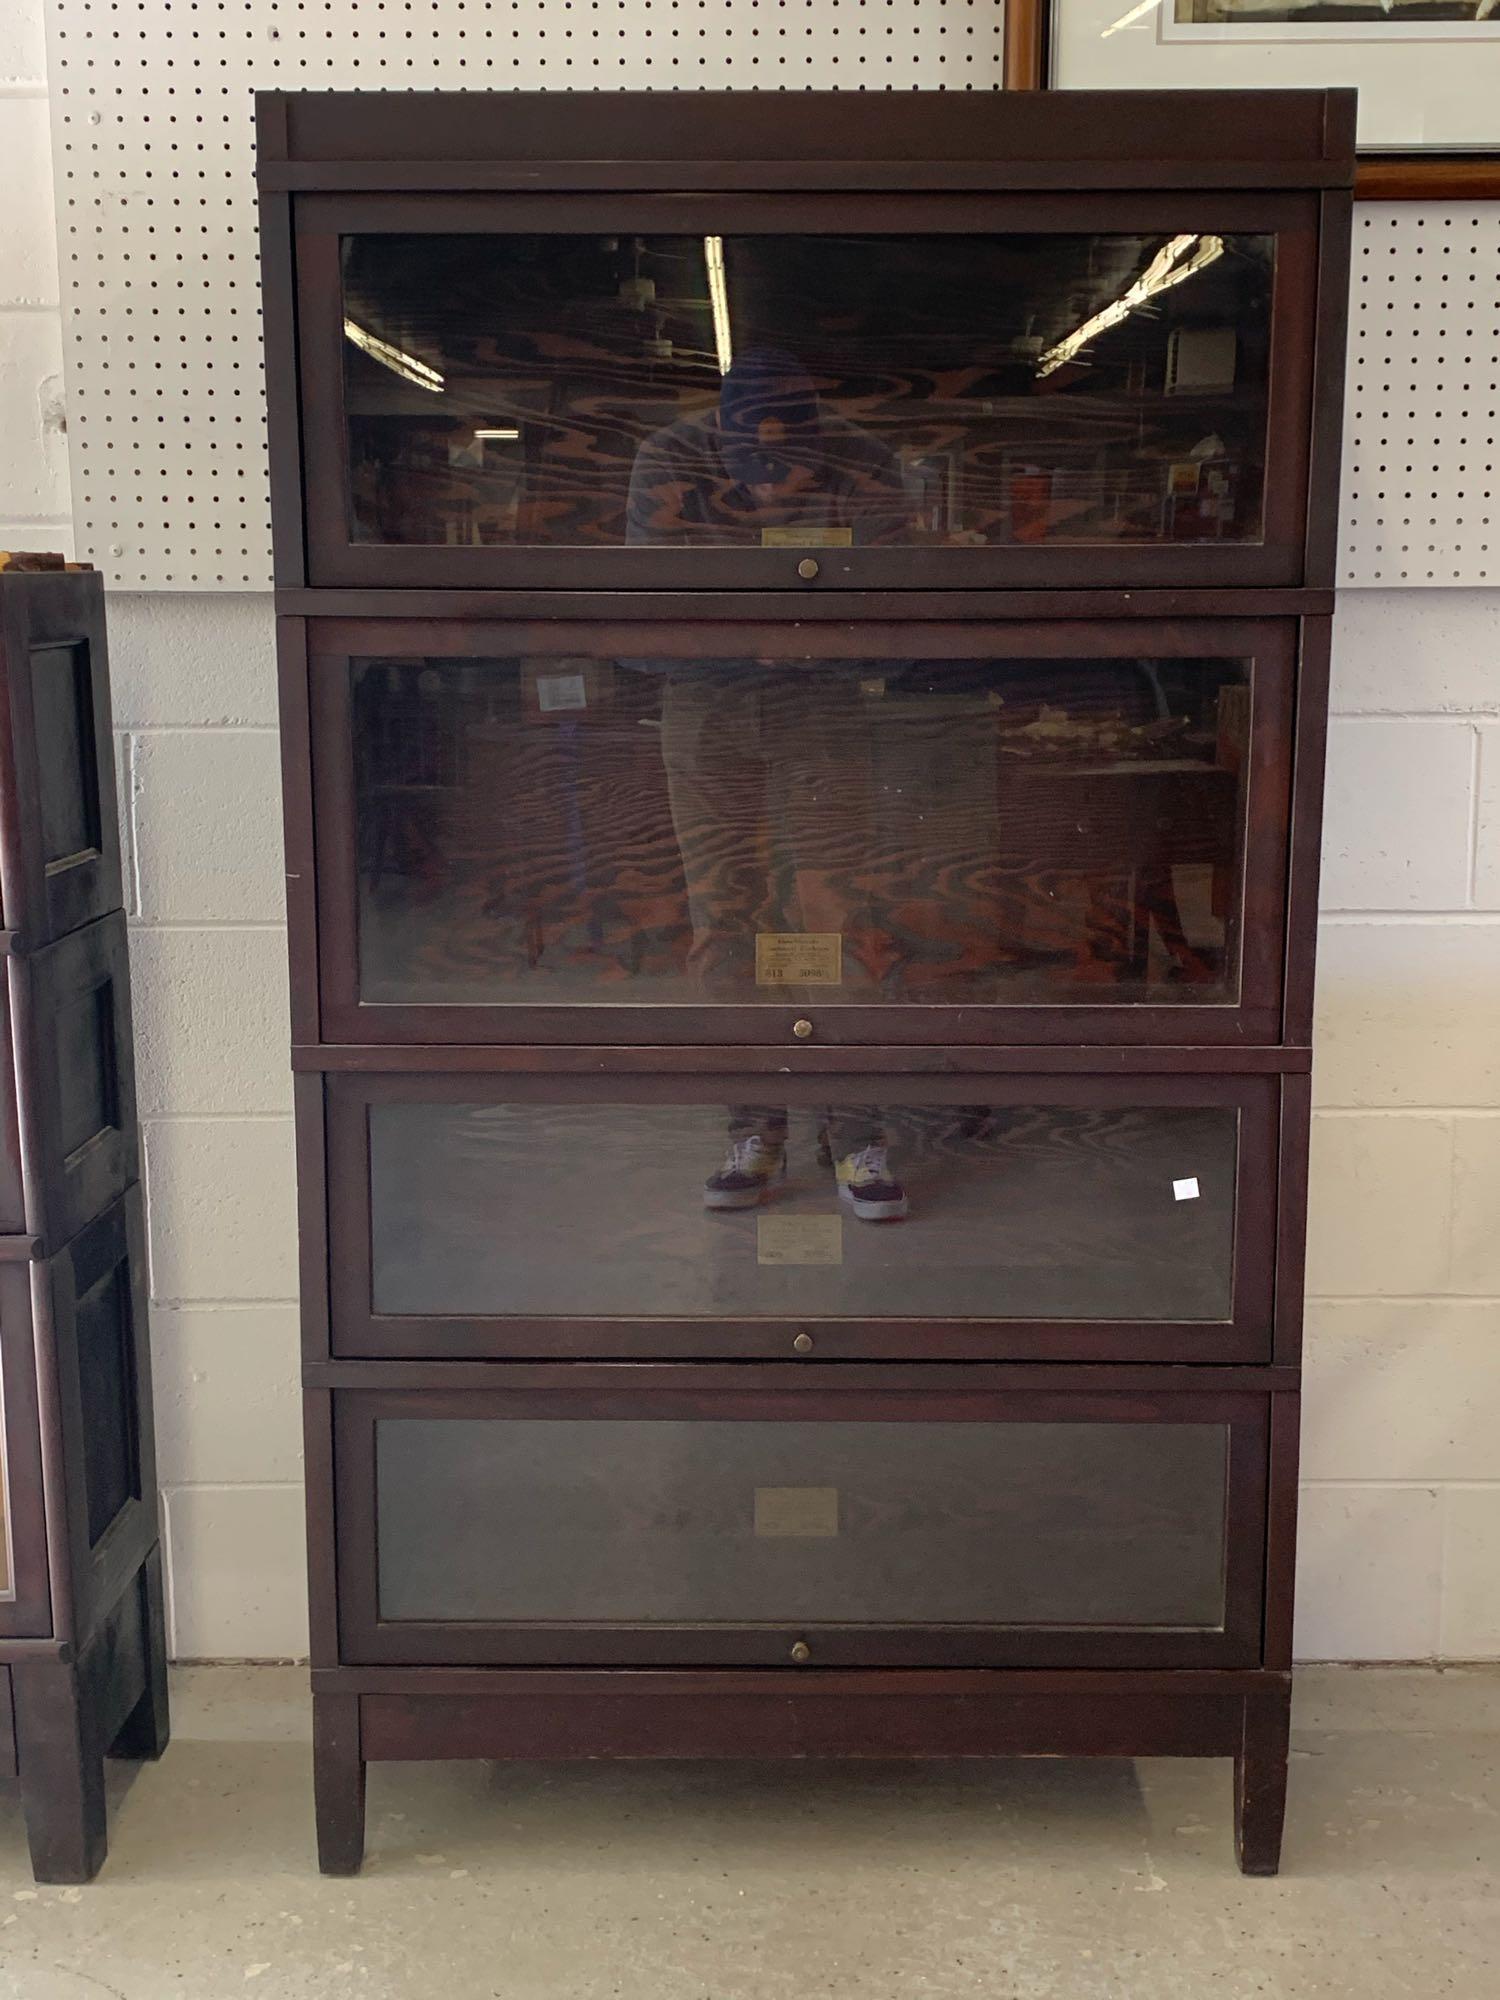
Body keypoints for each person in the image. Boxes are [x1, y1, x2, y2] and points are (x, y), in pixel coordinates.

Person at [626, 350, 913, 1220]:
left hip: (821, 707)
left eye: (795, 440)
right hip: (707, 707)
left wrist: (826, 643)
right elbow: (644, 602)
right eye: (754, 446)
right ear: (719, 426)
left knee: (829, 912)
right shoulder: (668, 459)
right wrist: (747, 643)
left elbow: (899, 589)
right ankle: (755, 1126)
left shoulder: (863, 460)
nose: (777, 461)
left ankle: (853, 1130)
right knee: (726, 914)